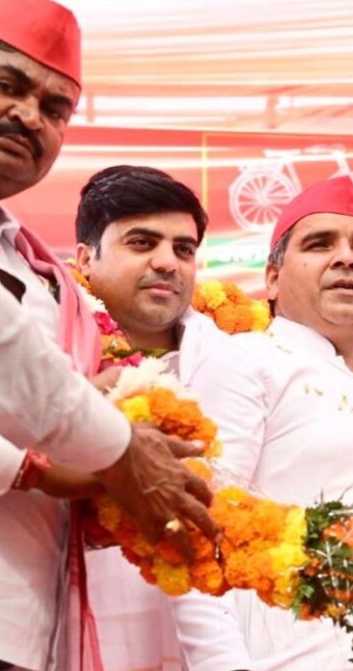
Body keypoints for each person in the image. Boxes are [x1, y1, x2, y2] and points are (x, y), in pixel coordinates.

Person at [0, 0, 214, 669]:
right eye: (6, 83)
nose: (30, 116)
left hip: (30, 623)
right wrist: (96, 456)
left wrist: (92, 414)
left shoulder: (33, 267)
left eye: (55, 108)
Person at [172, 176, 353, 670]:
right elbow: (195, 536)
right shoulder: (245, 361)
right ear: (274, 278)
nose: (347, 258)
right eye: (319, 244)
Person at [73, 165, 225, 671]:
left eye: (184, 249)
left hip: (223, 636)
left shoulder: (242, 363)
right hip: (75, 627)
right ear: (85, 259)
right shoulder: (46, 356)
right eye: (142, 243)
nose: (168, 262)